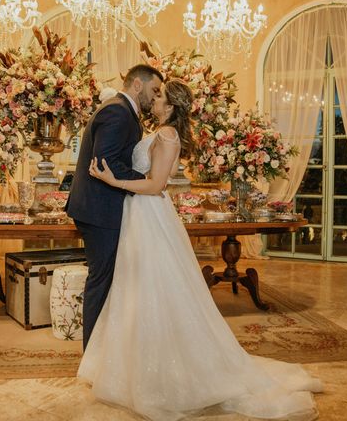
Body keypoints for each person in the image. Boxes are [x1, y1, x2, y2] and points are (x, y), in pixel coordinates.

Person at [80, 79, 323, 421]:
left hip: (148, 214)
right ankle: (137, 366)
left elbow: (155, 185)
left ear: (171, 106)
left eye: (160, 95)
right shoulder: (160, 130)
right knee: (137, 289)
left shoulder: (167, 136)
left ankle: (162, 373)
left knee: (154, 288)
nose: (154, 97)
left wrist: (113, 181)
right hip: (138, 216)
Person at [66, 63, 163, 350]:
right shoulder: (118, 111)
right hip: (99, 210)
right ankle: (92, 356)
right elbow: (104, 163)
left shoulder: (123, 111)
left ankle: (105, 351)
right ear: (137, 84)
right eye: (154, 90)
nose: (156, 96)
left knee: (108, 280)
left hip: (103, 207)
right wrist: (148, 181)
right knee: (101, 282)